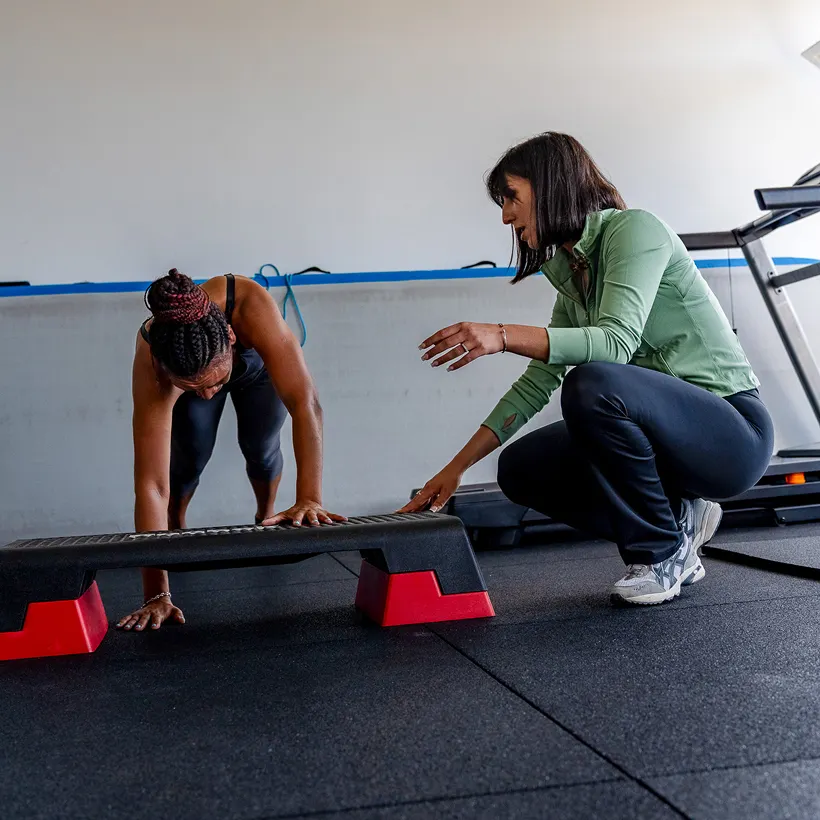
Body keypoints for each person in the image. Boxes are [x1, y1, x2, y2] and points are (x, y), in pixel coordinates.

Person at [401, 132, 774, 606]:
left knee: (593, 383)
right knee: (520, 469)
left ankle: (660, 555)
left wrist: (501, 334)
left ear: (550, 185)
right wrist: (454, 469)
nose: (505, 215)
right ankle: (678, 524)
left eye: (511, 197)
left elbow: (614, 343)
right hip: (667, 439)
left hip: (732, 433)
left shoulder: (635, 230)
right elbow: (537, 382)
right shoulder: (574, 272)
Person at [117, 268, 344, 632]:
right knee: (189, 457)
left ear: (232, 334)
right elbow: (151, 484)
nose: (209, 393)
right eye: (195, 388)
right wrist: (155, 593)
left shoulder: (249, 303)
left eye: (215, 383)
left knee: (262, 448)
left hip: (256, 371)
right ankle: (175, 528)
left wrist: (310, 499)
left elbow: (306, 405)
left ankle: (265, 514)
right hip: (196, 369)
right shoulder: (153, 357)